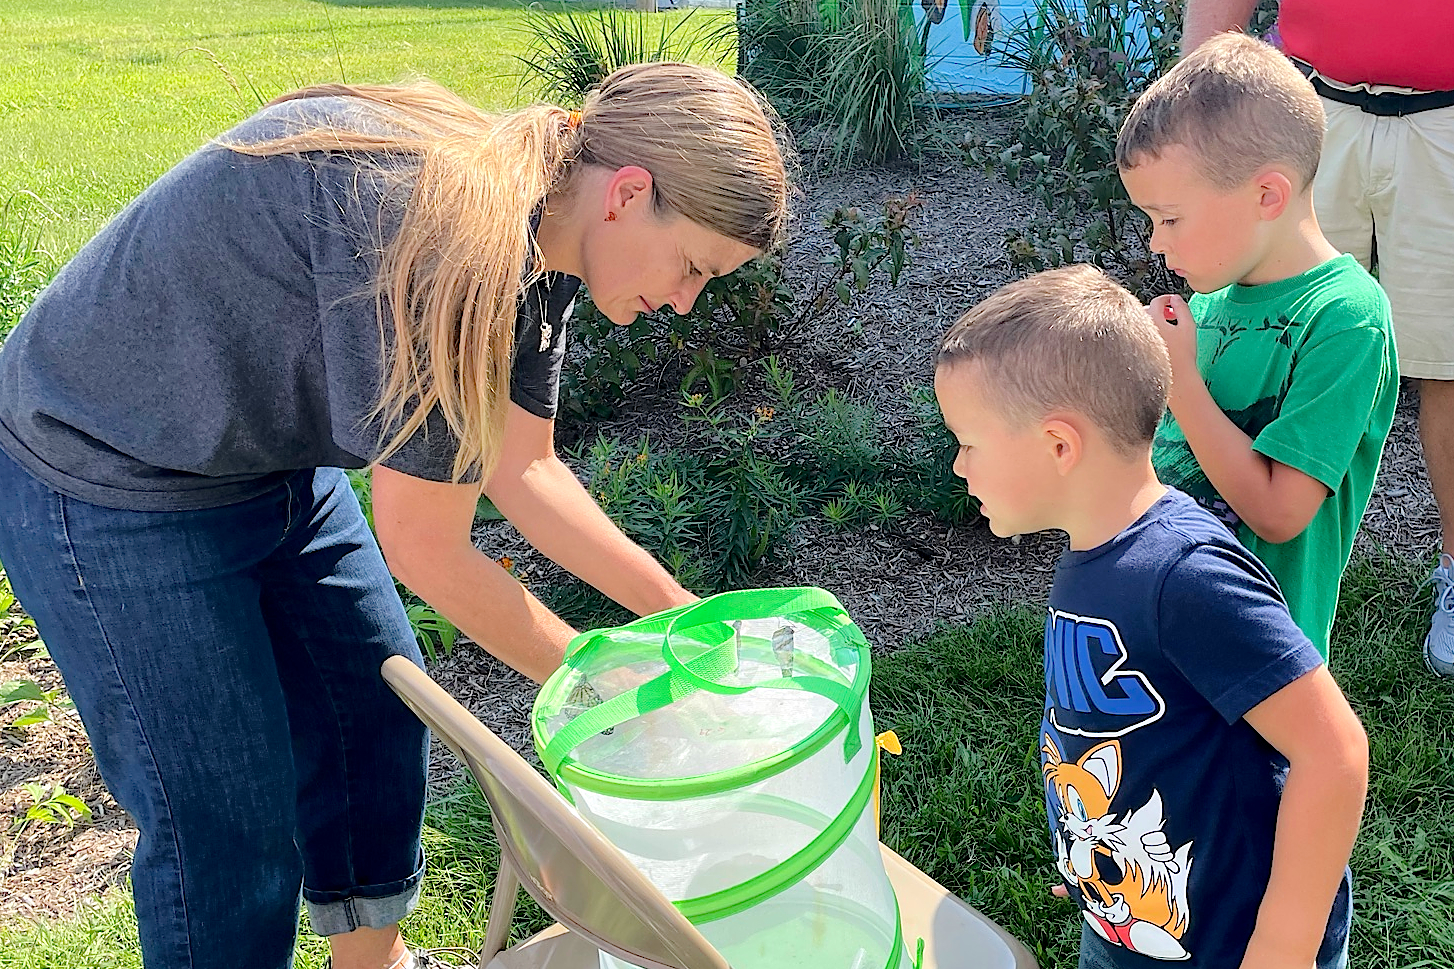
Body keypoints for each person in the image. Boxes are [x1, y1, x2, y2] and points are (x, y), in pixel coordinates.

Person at [0, 63, 788, 969]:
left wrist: (677, 618)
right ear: (629, 192)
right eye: (693, 266)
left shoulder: (552, 239)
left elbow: (524, 467)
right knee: (224, 822)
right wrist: (605, 684)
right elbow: (427, 549)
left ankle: (370, 963)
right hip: (105, 465)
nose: (686, 301)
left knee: (371, 710)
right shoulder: (456, 239)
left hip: (259, 458)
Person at [934, 264, 1368, 968]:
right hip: (1126, 921)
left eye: (970, 443)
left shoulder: (1183, 573)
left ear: (1058, 446)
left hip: (1228, 946)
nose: (959, 466)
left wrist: (1281, 947)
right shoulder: (1096, 550)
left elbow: (1335, 754)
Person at [1182, 1, 1454, 675]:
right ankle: (1240, 568)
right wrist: (1196, 119)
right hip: (1309, 109)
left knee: (1450, 368)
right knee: (1270, 341)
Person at [1117, 32, 1397, 660]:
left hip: (1256, 660)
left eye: (1170, 218)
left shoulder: (1347, 320)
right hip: (1157, 630)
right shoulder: (1207, 307)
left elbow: (1278, 511)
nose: (1156, 245)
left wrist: (1180, 383)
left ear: (1267, 195)